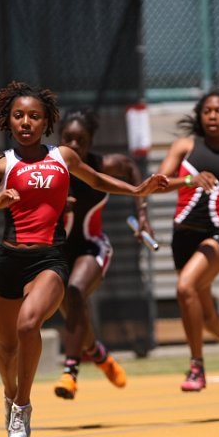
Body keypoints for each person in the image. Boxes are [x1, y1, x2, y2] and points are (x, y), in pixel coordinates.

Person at [0, 81, 167, 437]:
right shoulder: (1, 164)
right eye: (19, 116)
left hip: (50, 258)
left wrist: (137, 191)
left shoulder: (63, 156)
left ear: (47, 120)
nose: (26, 122)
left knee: (28, 324)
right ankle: (9, 389)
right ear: (9, 120)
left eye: (34, 116)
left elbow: (97, 180)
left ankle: (22, 405)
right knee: (5, 351)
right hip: (8, 261)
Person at [53, 107, 154, 400]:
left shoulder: (102, 165)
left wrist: (143, 214)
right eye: (67, 139)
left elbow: (131, 168)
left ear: (91, 141)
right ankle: (98, 355)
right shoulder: (50, 168)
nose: (73, 146)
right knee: (76, 314)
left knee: (75, 291)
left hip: (92, 246)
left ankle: (70, 372)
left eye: (80, 140)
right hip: (57, 252)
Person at [155, 88, 219, 392]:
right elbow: (158, 184)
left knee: (185, 288)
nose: (213, 116)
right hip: (182, 237)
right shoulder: (185, 146)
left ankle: (197, 366)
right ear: (200, 114)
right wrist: (188, 179)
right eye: (207, 110)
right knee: (205, 312)